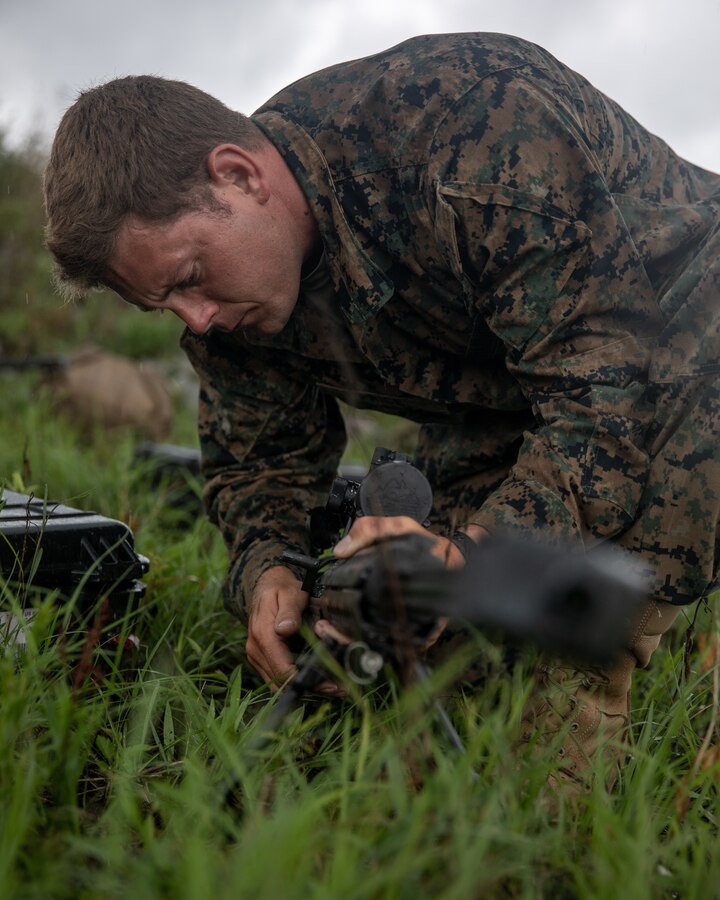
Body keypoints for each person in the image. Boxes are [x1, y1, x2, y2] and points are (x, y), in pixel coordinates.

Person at [43, 33, 719, 788]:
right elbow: (257, 464)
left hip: (682, 321)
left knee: (549, 618)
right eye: (163, 302)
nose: (195, 320)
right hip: (514, 389)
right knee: (418, 623)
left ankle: (554, 840)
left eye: (190, 277)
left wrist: (475, 554)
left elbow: (602, 396)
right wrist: (269, 575)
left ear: (237, 175)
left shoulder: (467, 133)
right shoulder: (228, 308)